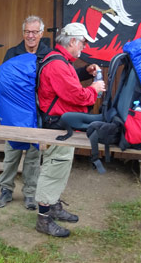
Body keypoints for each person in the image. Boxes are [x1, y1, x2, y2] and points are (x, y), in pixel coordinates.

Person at [35, 23, 105, 237]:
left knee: (61, 166)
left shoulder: (60, 61)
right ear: (73, 41)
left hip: (61, 125)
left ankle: (54, 207)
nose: (83, 47)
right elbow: (75, 95)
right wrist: (94, 89)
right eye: (82, 42)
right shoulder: (57, 64)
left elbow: (67, 80)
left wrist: (85, 71)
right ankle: (44, 219)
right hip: (57, 126)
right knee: (54, 168)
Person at [0, 15, 51, 210]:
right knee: (11, 153)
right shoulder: (12, 53)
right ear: (23, 32)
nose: (31, 36)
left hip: (36, 112)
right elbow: (2, 82)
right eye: (27, 32)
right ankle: (6, 190)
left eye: (35, 32)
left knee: (33, 155)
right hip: (12, 111)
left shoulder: (47, 55)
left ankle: (30, 193)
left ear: (41, 33)